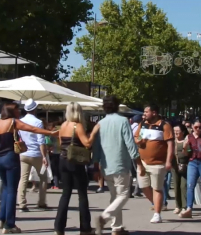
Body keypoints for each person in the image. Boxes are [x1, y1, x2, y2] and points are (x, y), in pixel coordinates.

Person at [0, 102, 57, 233]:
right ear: (12, 111)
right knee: (12, 190)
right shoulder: (13, 122)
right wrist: (50, 133)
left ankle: (1, 218)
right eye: (17, 110)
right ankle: (9, 224)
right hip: (10, 157)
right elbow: (32, 129)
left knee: (6, 188)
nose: (19, 112)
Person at [93, 96, 143, 235]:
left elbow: (96, 147)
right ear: (117, 106)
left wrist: (96, 165)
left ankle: (117, 227)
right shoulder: (123, 121)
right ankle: (104, 217)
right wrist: (139, 163)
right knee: (124, 195)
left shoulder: (101, 123)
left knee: (115, 196)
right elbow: (130, 143)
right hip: (120, 163)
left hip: (106, 165)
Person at [54, 102, 100, 235]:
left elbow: (62, 142)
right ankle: (85, 228)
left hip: (63, 160)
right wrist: (94, 132)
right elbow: (87, 143)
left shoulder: (63, 125)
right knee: (82, 194)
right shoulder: (77, 125)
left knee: (65, 194)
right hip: (75, 162)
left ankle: (59, 227)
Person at [134, 104, 174, 223]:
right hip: (142, 162)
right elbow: (137, 138)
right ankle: (157, 203)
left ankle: (157, 214)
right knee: (143, 186)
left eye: (146, 112)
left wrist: (168, 161)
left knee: (157, 188)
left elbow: (170, 145)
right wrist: (138, 140)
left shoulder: (164, 126)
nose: (144, 114)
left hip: (158, 163)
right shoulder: (143, 124)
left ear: (154, 113)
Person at [17, 99, 49, 212]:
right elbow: (41, 141)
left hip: (23, 152)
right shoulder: (38, 122)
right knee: (43, 177)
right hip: (36, 154)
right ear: (35, 109)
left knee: (23, 179)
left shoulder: (20, 121)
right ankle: (41, 201)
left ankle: (21, 203)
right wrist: (44, 156)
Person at [180, 121, 201, 218]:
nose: (198, 129)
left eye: (200, 127)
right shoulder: (189, 137)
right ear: (192, 127)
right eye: (196, 127)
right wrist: (186, 146)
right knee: (190, 185)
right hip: (192, 162)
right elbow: (186, 153)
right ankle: (189, 209)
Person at [171, 124, 189, 215]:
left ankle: (184, 207)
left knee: (183, 186)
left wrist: (186, 148)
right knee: (176, 187)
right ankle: (178, 206)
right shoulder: (173, 141)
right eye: (174, 131)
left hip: (185, 166)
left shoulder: (187, 140)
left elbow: (189, 152)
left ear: (183, 131)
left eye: (177, 131)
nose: (176, 133)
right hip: (174, 166)